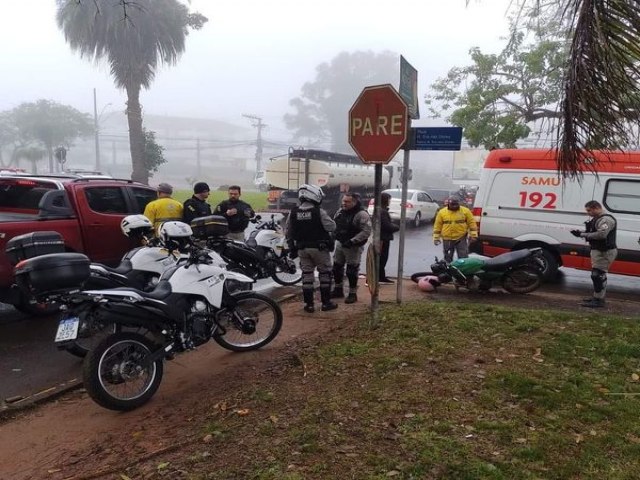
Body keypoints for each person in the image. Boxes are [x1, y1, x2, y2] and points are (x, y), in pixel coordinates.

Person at [285, 184, 337, 313]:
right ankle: (326, 303)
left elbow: (288, 232)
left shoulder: (293, 212)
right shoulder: (318, 211)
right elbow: (331, 227)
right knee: (324, 274)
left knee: (307, 275)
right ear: (315, 195)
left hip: (302, 249)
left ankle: (309, 305)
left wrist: (292, 248)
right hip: (319, 248)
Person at [570, 200, 618, 308]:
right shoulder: (597, 219)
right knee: (597, 275)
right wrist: (581, 233)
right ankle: (597, 297)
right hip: (599, 250)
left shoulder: (606, 219)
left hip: (605, 251)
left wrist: (583, 234)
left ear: (596, 207)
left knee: (598, 275)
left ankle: (599, 300)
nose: (588, 213)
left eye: (589, 210)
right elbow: (595, 232)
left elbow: (602, 235)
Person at [331, 192, 372, 304]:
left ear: (355, 202)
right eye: (343, 201)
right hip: (340, 243)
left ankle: (352, 294)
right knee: (336, 267)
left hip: (353, 246)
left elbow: (366, 231)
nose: (344, 203)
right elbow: (334, 225)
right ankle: (338, 290)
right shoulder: (340, 211)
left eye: (347, 201)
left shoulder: (361, 214)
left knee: (351, 270)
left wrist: (353, 241)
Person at [432, 197, 478, 263]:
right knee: (447, 258)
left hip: (460, 238)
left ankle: (463, 271)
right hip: (447, 238)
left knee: (463, 257)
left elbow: (472, 223)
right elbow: (437, 226)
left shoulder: (465, 211)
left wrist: (473, 235)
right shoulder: (442, 212)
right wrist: (436, 238)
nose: (454, 206)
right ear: (449, 204)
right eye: (452, 204)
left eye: (456, 204)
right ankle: (448, 271)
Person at [379, 192, 400, 284]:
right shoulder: (382, 212)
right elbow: (386, 226)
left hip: (382, 237)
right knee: (381, 259)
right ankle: (379, 278)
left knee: (382, 259)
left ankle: (381, 277)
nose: (389, 202)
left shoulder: (382, 210)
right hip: (383, 238)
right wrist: (397, 227)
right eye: (389, 200)